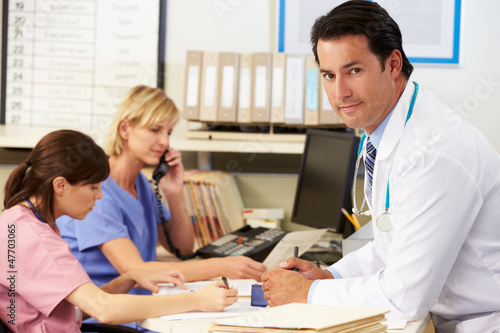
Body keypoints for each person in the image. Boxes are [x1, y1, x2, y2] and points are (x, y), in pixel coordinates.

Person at [261, 1, 500, 332]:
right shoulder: (388, 131)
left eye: (354, 71)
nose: (340, 92)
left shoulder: (432, 153)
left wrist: (311, 292)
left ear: (393, 63)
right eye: (329, 75)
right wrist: (331, 275)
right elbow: (392, 245)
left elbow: (405, 297)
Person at [56, 86, 266, 330]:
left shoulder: (142, 185)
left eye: (168, 132)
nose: (164, 142)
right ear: (125, 129)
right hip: (104, 317)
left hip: (141, 306)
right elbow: (135, 269)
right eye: (155, 130)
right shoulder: (98, 192)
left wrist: (175, 192)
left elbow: (182, 247)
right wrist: (226, 266)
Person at [0, 130, 237, 332]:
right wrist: (196, 300)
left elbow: (73, 308)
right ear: (60, 185)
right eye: (93, 187)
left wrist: (128, 279)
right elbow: (104, 310)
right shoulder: (34, 237)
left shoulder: (22, 222)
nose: (100, 195)